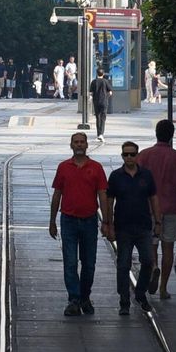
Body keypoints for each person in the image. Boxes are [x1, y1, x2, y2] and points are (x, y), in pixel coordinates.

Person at [48, 131, 107, 316]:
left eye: (82, 142)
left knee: (89, 263)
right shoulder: (63, 167)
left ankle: (85, 296)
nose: (79, 145)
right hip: (69, 221)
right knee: (70, 262)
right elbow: (57, 193)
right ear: (71, 145)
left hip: (89, 220)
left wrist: (107, 221)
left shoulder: (96, 168)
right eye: (76, 142)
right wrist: (52, 221)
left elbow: (103, 195)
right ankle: (74, 298)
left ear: (87, 145)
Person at [140, 118, 176, 300]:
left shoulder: (144, 155)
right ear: (172, 135)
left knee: (152, 244)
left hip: (149, 209)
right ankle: (163, 288)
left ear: (156, 133)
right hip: (172, 207)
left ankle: (154, 266)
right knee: (168, 247)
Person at [102, 140, 158, 315]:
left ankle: (140, 293)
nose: (129, 157)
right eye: (125, 154)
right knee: (123, 264)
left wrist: (158, 222)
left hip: (143, 226)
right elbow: (109, 202)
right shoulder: (116, 176)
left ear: (137, 155)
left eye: (132, 154)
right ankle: (124, 300)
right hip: (123, 227)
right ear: (122, 156)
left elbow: (154, 199)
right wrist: (108, 224)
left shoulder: (146, 175)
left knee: (148, 261)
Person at [90, 71, 112, 140]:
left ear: (97, 74)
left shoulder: (93, 82)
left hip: (96, 101)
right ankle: (101, 134)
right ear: (103, 74)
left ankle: (98, 134)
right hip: (104, 102)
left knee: (98, 117)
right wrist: (106, 97)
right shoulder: (105, 81)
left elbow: (91, 93)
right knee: (103, 118)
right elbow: (110, 92)